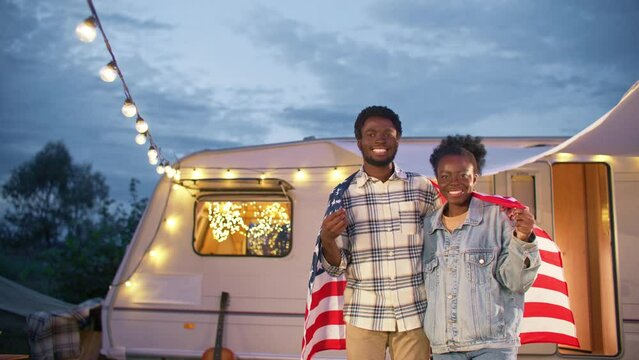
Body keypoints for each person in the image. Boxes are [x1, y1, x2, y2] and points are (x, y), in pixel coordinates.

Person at [319, 105, 441, 360]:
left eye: (388, 132)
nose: (380, 139)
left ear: (398, 139)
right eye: (371, 133)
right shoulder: (343, 194)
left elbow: (440, 248)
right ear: (359, 142)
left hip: (415, 314)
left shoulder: (421, 188)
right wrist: (328, 240)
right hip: (364, 315)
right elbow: (336, 266)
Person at [422, 135, 541, 359]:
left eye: (463, 175)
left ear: (475, 177)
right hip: (444, 349)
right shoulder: (428, 227)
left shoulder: (500, 218)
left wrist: (523, 237)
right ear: (437, 179)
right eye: (445, 176)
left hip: (492, 346)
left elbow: (516, 282)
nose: (453, 182)